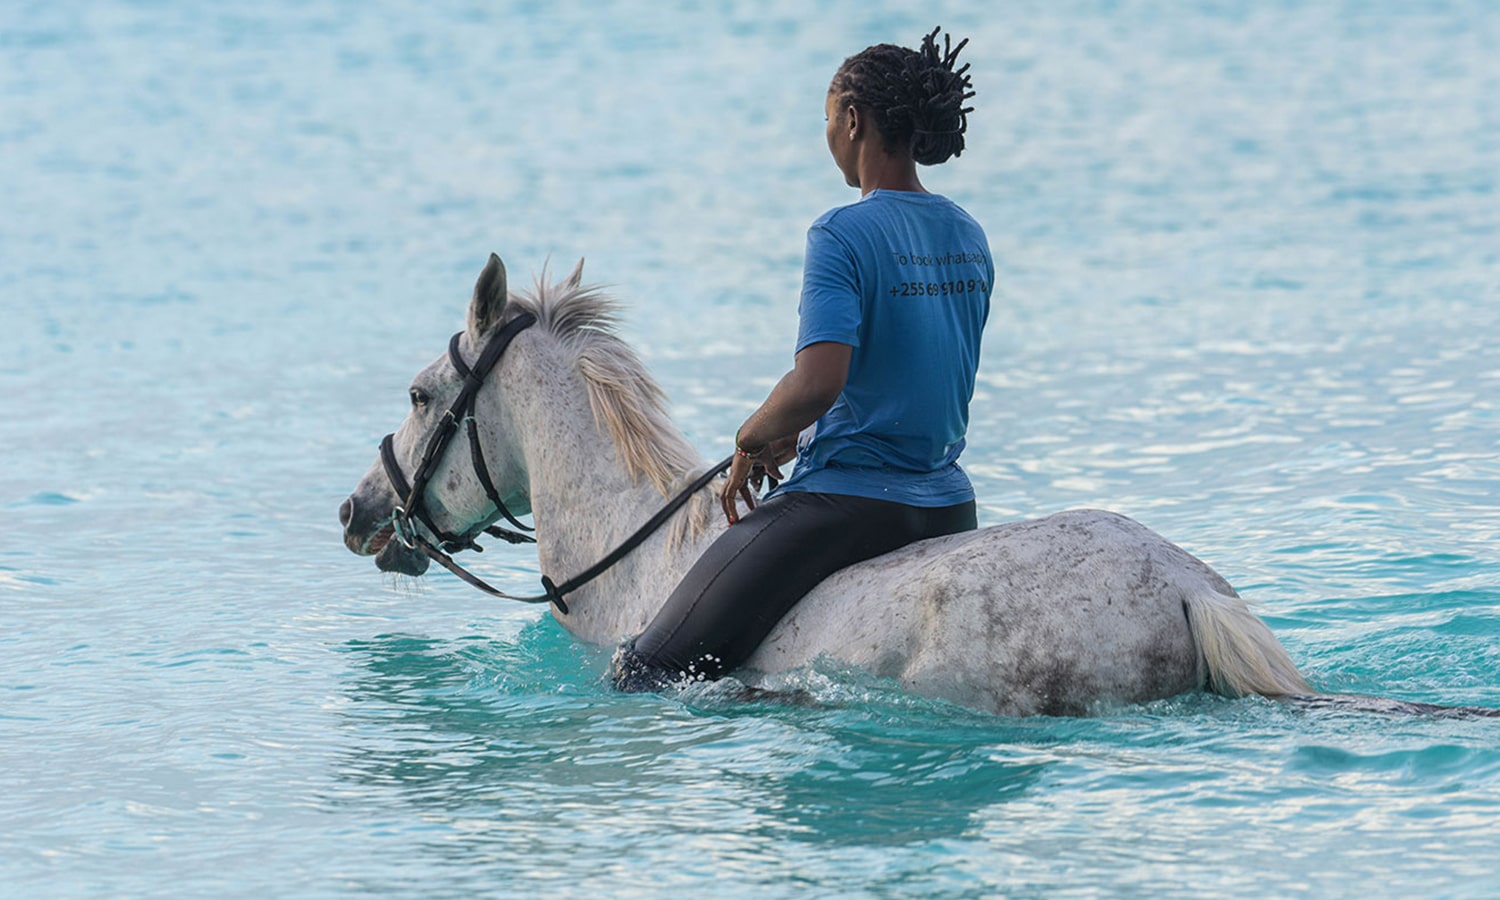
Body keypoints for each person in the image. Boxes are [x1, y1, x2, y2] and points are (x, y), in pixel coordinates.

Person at [611, 27, 993, 690]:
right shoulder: (967, 231)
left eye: (827, 118)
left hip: (849, 505)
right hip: (948, 504)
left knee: (646, 669)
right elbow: (914, 372)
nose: (827, 135)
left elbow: (820, 381)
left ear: (853, 120)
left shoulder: (842, 231)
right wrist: (802, 431)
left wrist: (752, 436)